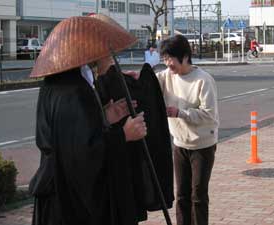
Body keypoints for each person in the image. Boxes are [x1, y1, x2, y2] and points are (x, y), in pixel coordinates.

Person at [28, 16, 147, 225]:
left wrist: (105, 116)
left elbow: (76, 135)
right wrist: (123, 135)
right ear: (88, 52)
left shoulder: (61, 82)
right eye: (105, 50)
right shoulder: (73, 91)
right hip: (67, 199)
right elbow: (81, 152)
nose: (111, 55)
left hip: (61, 188)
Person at [157, 35, 219, 225]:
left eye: (171, 58)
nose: (168, 63)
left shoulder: (203, 80)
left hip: (203, 145)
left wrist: (180, 113)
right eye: (165, 58)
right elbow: (147, 82)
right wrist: (132, 77)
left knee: (198, 195)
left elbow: (209, 115)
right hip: (180, 143)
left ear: (185, 57)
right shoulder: (166, 76)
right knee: (182, 195)